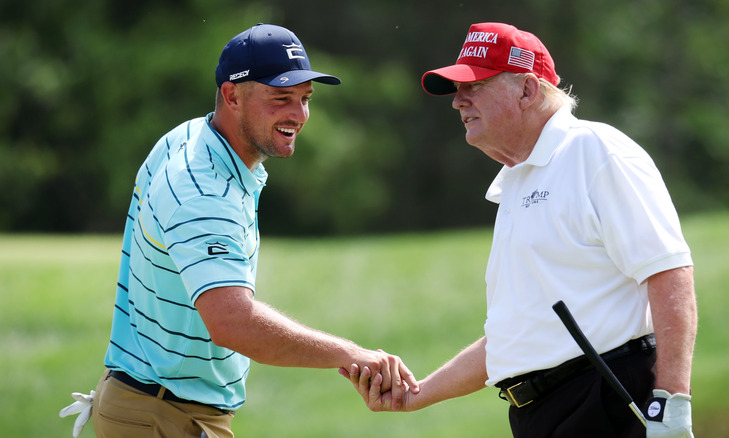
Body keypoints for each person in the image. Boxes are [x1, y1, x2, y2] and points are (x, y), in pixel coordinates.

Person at [59, 23, 418, 438]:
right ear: (232, 95)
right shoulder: (202, 188)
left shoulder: (196, 137)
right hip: (160, 415)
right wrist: (354, 355)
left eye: (305, 99)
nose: (299, 115)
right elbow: (233, 322)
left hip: (156, 406)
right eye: (281, 98)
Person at [343, 22, 696, 438]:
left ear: (527, 91)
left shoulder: (594, 151)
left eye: (474, 86)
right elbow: (511, 338)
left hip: (606, 396)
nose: (458, 102)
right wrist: (416, 394)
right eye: (458, 90)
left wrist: (672, 403)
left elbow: (669, 274)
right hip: (540, 414)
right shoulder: (516, 180)